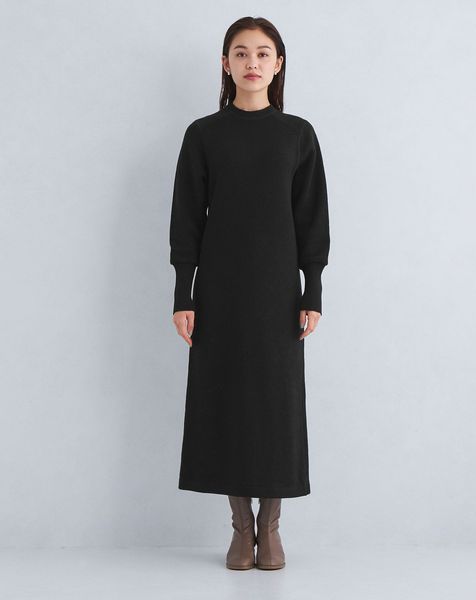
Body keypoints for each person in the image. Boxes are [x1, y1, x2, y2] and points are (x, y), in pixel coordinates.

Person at [169, 16, 330, 570]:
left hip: (278, 292)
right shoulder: (203, 135)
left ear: (278, 64)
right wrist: (183, 293)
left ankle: (271, 526)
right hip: (219, 291)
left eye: (263, 53)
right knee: (227, 400)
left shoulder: (297, 135)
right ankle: (241, 527)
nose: (252, 62)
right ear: (225, 64)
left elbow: (312, 218)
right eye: (241, 53)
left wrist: (312, 289)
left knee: (275, 404)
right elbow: (186, 219)